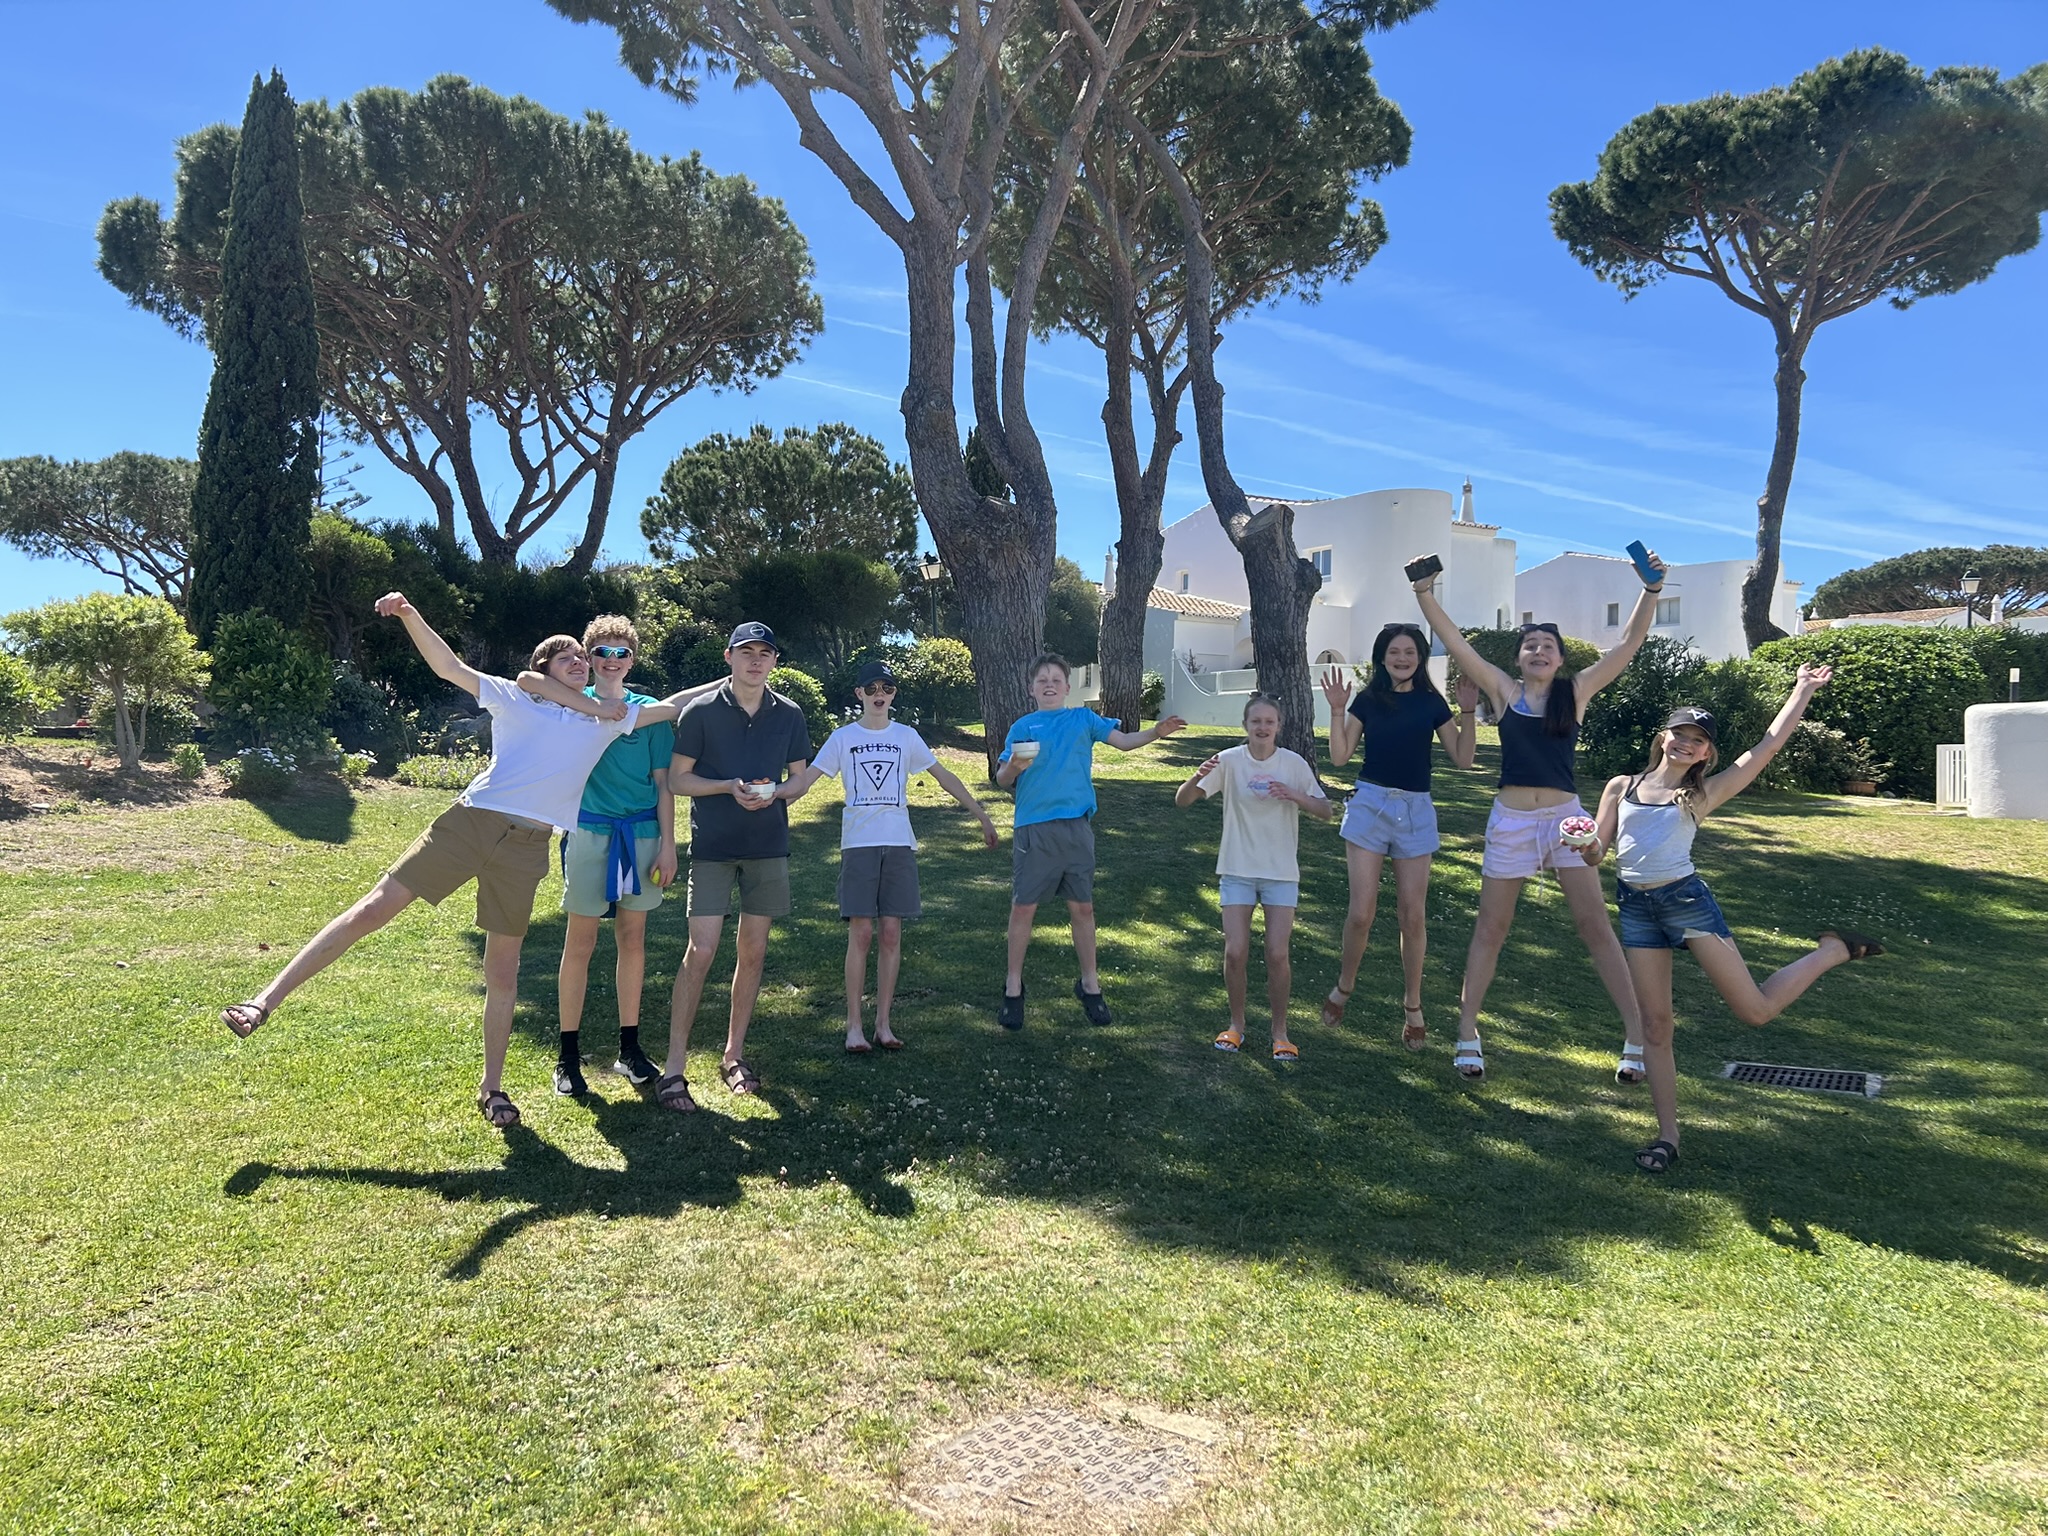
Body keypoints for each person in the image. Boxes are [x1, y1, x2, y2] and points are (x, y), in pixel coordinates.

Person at [218, 593, 699, 1128]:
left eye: (583, 659)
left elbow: (673, 705)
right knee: (374, 908)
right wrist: (409, 614)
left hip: (527, 847)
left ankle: (492, 1089)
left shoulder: (608, 720)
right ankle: (263, 1001)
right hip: (472, 822)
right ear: (545, 667)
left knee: (504, 971)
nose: (581, 663)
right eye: (569, 657)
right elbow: (449, 667)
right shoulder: (514, 697)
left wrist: (736, 679)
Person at [1583, 667, 1885, 1173]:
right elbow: (1597, 851)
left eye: (1698, 740)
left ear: (1706, 754)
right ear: (1663, 737)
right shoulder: (1621, 786)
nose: (1686, 743)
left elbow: (1766, 747)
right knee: (1654, 1026)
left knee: (1756, 1011)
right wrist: (1582, 845)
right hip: (1636, 908)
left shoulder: (1701, 794)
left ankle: (1832, 950)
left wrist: (1802, 690)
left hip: (1686, 903)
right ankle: (1667, 1136)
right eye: (1680, 733)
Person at [1409, 549, 1667, 1084]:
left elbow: (1628, 644)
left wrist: (1651, 591)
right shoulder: (1503, 692)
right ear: (1519, 657)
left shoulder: (1576, 692)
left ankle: (1636, 1035)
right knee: (1491, 929)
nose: (1539, 650)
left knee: (1596, 928)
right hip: (1511, 822)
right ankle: (1467, 1032)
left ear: (1560, 658)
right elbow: (1456, 644)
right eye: (1530, 645)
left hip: (1568, 823)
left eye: (1548, 645)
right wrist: (1424, 594)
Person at [787, 658, 1000, 1052]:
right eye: (871, 689)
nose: (879, 695)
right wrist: (771, 804)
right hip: (859, 844)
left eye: (886, 688)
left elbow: (944, 776)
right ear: (859, 693)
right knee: (862, 933)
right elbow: (807, 781)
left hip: (899, 843)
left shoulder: (906, 736)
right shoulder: (842, 738)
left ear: (893, 694)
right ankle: (854, 1026)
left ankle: (883, 1025)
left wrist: (981, 814)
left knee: (890, 933)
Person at [552, 615, 720, 1098]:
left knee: (633, 940)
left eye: (621, 652)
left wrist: (668, 844)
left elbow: (664, 783)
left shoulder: (650, 713)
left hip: (643, 836)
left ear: (633, 660)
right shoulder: (573, 705)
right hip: (589, 832)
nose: (611, 660)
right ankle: (568, 1057)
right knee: (580, 943)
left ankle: (629, 1049)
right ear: (588, 658)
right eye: (601, 651)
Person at [653, 622, 812, 1110]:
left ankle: (733, 1056)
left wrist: (777, 794)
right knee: (701, 950)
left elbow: (800, 779)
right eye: (747, 652)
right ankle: (674, 1067)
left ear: (774, 661)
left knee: (754, 951)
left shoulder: (790, 713)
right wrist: (726, 788)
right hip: (713, 848)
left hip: (768, 846)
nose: (756, 660)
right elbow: (678, 780)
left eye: (765, 653)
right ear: (729, 657)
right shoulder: (700, 712)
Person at [993, 653, 1186, 1029]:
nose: (1049, 685)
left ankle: (1090, 985)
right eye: (1042, 680)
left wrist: (1156, 733)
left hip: (1077, 829)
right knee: (1023, 908)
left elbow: (1124, 742)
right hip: (1034, 828)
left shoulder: (1083, 719)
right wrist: (1013, 767)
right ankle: (1013, 986)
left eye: (1056, 680)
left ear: (1068, 687)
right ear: (1031, 689)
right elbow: (1002, 779)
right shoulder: (1023, 726)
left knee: (1082, 908)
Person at [1317, 624, 1479, 1048]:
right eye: (1394, 651)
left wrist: (1467, 713)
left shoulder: (1431, 702)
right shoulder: (1368, 700)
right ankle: (1344, 986)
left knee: (1412, 915)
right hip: (1369, 805)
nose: (1402, 658)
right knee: (1361, 913)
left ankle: (1413, 1005)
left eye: (1409, 652)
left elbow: (1463, 759)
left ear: (1420, 658)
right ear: (1382, 657)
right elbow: (1339, 757)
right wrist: (1337, 710)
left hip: (1415, 811)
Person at [1174, 694, 1333, 1060]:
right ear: (1245, 725)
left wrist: (1294, 795)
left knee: (1277, 954)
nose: (1262, 727)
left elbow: (1325, 811)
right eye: (1256, 721)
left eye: (1269, 722)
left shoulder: (1293, 764)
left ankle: (1280, 1033)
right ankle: (1236, 1026)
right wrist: (1196, 776)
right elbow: (1182, 800)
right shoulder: (1229, 760)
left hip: (1280, 873)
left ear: (1279, 726)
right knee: (1235, 952)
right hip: (1237, 870)